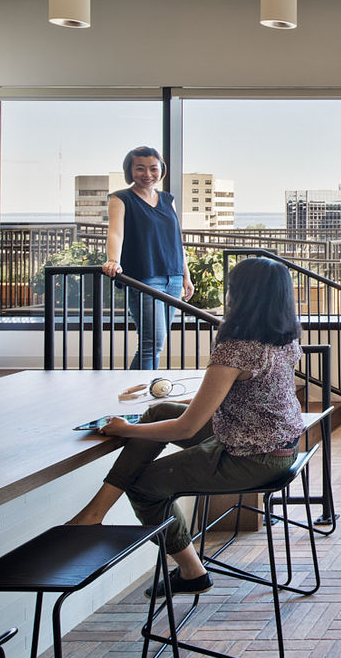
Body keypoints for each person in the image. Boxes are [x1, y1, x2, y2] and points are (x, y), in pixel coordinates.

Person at [68, 256, 305, 596]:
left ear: (242, 295)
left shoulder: (236, 349)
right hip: (276, 444)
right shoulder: (283, 339)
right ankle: (95, 511)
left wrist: (125, 429)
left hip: (251, 456)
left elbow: (187, 428)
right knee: (161, 409)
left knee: (144, 486)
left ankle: (192, 572)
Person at [100, 146, 194, 371]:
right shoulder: (121, 198)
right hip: (145, 276)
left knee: (153, 345)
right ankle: (136, 396)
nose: (147, 174)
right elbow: (115, 232)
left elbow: (175, 239)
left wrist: (186, 275)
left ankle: (141, 393)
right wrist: (113, 260)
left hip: (173, 276)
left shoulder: (167, 199)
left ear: (161, 169)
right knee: (152, 344)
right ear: (130, 170)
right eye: (139, 168)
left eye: (153, 168)